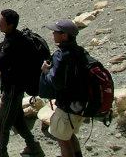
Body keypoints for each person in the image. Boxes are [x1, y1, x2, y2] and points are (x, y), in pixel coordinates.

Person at [0, 9, 44, 157]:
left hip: (14, 87)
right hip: (13, 86)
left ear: (10, 25)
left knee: (2, 120)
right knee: (17, 120)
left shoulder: (16, 42)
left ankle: (0, 152)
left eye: (1, 21)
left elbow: (1, 60)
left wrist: (0, 56)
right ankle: (33, 147)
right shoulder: (15, 38)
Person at [39, 19, 85, 157]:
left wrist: (46, 71)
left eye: (55, 32)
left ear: (64, 35)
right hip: (80, 103)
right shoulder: (80, 51)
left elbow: (56, 82)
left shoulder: (61, 55)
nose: (53, 34)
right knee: (69, 136)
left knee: (63, 140)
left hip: (66, 106)